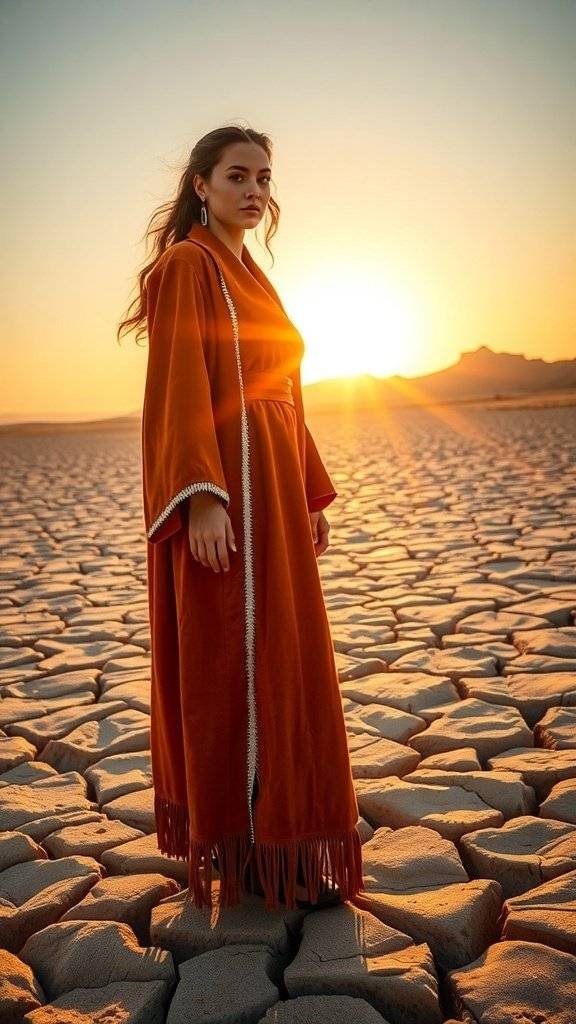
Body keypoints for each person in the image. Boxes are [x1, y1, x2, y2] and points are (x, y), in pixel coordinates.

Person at [118, 124, 364, 912]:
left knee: (283, 662)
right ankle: (246, 855)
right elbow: (178, 385)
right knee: (236, 663)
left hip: (275, 504)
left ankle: (279, 843)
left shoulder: (251, 274)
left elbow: (285, 389)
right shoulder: (188, 267)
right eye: (237, 176)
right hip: (227, 506)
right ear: (201, 184)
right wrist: (201, 496)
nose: (255, 191)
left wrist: (305, 489)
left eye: (264, 177)